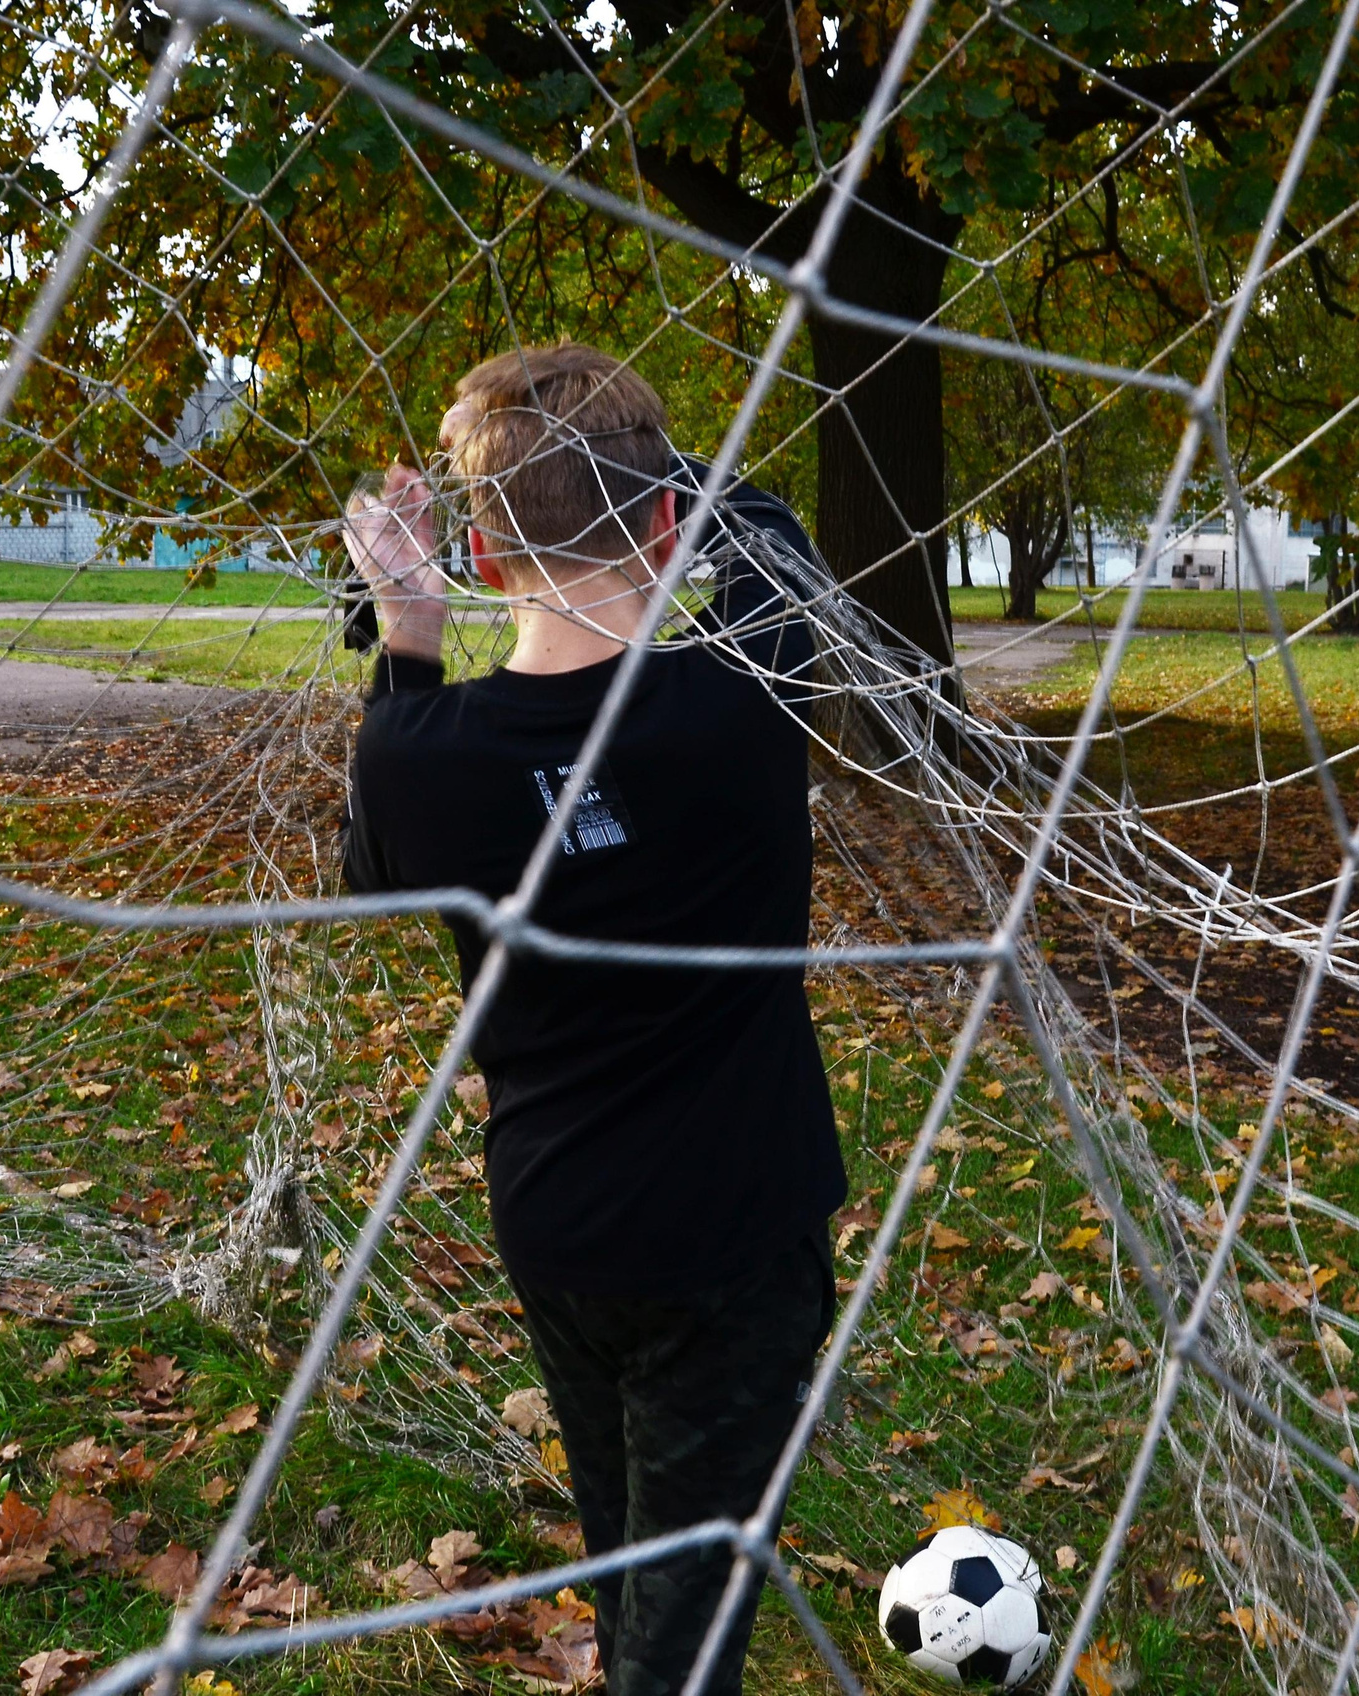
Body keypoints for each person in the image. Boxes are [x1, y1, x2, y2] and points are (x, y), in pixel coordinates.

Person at [337, 342, 844, 1696]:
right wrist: (642, 481)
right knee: (685, 1630)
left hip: (558, 1225)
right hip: (739, 1241)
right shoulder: (745, 704)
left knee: (637, 1556)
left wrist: (410, 626)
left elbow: (374, 871)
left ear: (483, 555)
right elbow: (775, 544)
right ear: (668, 520)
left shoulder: (417, 753)